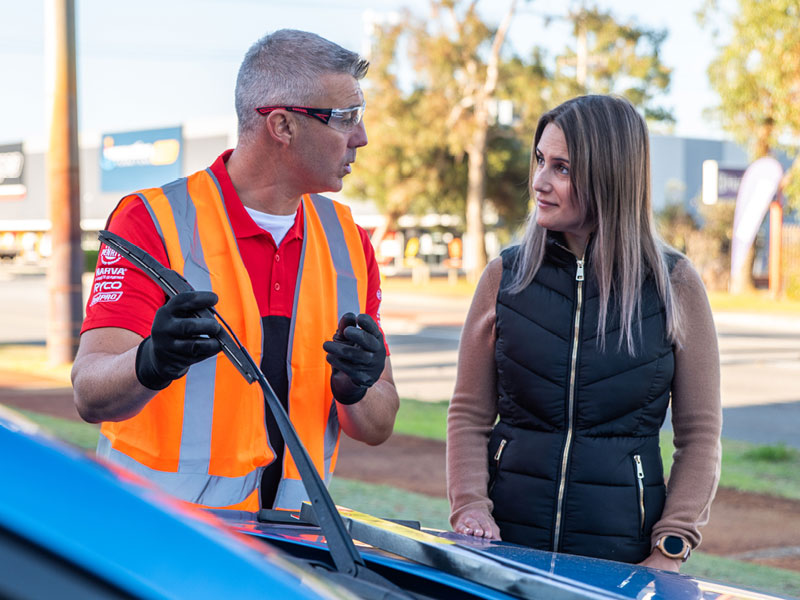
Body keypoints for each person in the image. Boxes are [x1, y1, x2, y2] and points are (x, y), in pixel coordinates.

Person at [72, 29, 399, 512]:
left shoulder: (348, 239)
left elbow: (378, 425)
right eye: (345, 118)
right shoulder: (152, 220)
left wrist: (356, 389)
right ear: (282, 126)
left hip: (291, 550)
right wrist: (150, 360)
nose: (362, 137)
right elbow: (89, 393)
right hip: (162, 539)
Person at [446, 95, 721, 571]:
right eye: (539, 161)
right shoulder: (504, 276)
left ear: (610, 176)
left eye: (562, 168)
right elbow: (469, 413)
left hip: (621, 564)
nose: (538, 182)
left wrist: (670, 547)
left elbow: (699, 437)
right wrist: (470, 506)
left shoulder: (675, 284)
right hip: (506, 554)